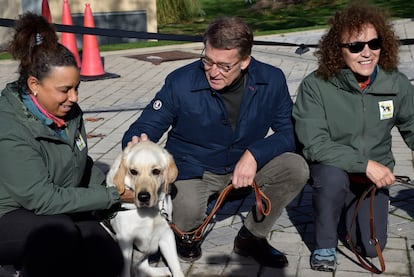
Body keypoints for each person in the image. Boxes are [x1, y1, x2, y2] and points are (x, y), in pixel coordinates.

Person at [122, 16, 309, 268]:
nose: (212, 71)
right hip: (194, 169)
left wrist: (254, 154)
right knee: (186, 212)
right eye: (207, 60)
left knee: (295, 167)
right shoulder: (180, 82)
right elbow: (147, 125)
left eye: (224, 66)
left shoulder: (271, 79)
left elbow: (290, 131)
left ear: (245, 61)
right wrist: (136, 142)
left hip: (243, 166)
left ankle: (252, 237)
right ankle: (186, 236)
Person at [0, 13, 131, 277]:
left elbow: (83, 164)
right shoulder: (10, 128)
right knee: (60, 238)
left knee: (108, 258)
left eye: (77, 87)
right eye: (65, 89)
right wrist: (112, 196)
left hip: (56, 207)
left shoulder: (70, 113)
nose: (74, 97)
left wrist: (116, 191)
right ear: (34, 85)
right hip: (10, 213)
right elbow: (43, 199)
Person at [293, 3, 414, 272]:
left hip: (373, 178)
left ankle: (346, 210)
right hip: (333, 168)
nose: (367, 53)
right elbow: (314, 144)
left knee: (371, 247)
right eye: (356, 47)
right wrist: (365, 165)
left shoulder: (396, 84)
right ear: (339, 50)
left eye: (374, 43)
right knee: (332, 179)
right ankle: (324, 244)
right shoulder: (316, 86)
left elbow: (412, 126)